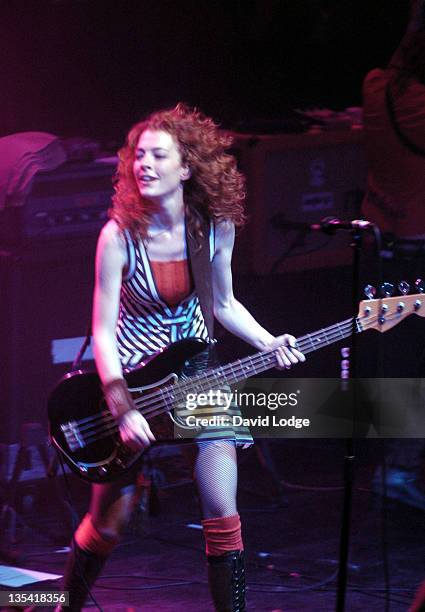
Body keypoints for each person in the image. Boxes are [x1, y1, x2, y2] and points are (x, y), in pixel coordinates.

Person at [56, 103, 305, 612]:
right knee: (109, 522)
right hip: (132, 384)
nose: (143, 164)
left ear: (187, 167)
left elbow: (223, 302)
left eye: (158, 155)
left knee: (222, 508)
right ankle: (65, 606)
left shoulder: (214, 227)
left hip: (196, 379)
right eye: (139, 155)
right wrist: (122, 406)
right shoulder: (117, 236)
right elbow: (101, 333)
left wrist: (267, 341)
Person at [361, 1, 425, 506]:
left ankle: (397, 468)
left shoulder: (376, 86)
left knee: (403, 360)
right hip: (419, 249)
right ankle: (400, 470)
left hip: (385, 245)